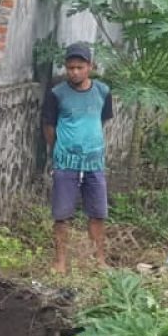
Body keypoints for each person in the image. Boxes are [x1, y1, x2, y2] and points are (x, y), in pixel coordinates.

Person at [42, 42, 115, 273]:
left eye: (79, 67)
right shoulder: (57, 94)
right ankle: (60, 262)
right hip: (66, 162)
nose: (74, 72)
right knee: (61, 215)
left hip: (94, 162)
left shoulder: (102, 92)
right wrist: (60, 149)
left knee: (98, 213)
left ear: (90, 67)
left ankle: (98, 261)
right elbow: (49, 126)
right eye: (70, 68)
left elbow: (102, 120)